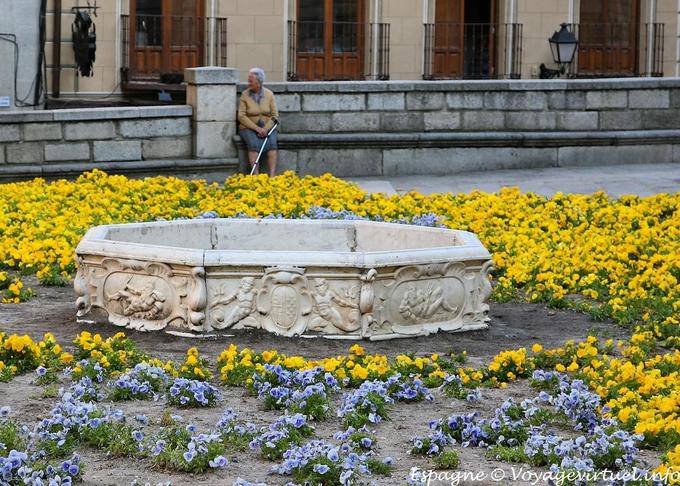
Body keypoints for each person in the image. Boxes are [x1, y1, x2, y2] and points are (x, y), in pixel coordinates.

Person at [238, 67, 279, 176]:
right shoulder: (244, 95)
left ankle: (272, 176)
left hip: (266, 126)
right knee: (253, 144)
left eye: (251, 81)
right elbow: (241, 116)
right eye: (248, 81)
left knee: (272, 144)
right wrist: (256, 128)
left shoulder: (269, 94)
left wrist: (265, 129)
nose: (249, 83)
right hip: (248, 127)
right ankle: (256, 176)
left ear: (258, 82)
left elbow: (275, 116)